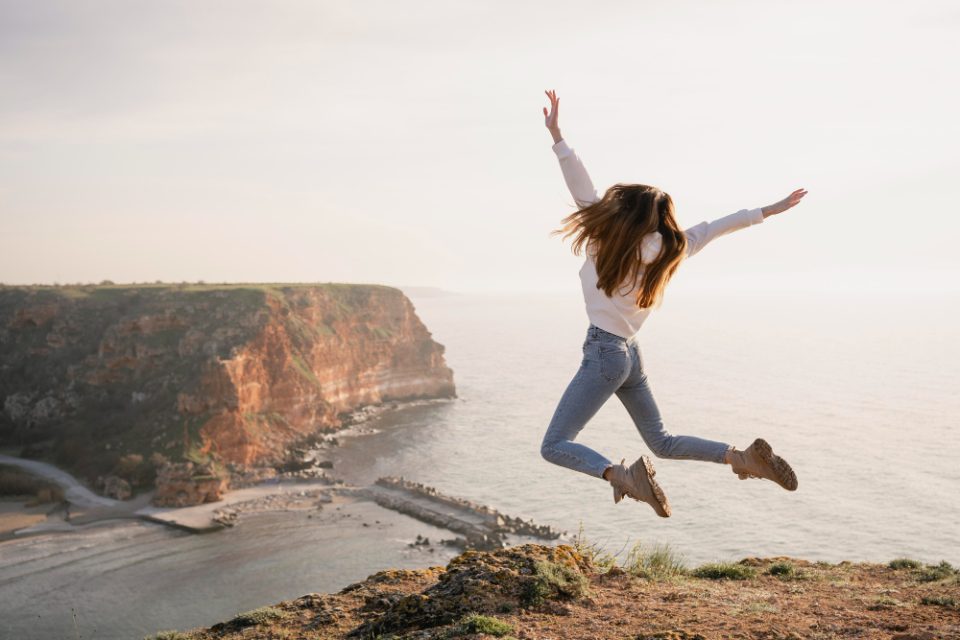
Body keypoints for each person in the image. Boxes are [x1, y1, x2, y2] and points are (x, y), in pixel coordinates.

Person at [539, 89, 807, 517]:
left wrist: (558, 136)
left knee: (554, 445)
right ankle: (741, 458)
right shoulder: (672, 250)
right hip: (629, 354)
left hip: (605, 353)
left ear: (621, 212)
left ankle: (621, 477)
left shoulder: (602, 239)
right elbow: (716, 227)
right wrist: (768, 211)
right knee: (661, 442)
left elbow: (580, 186)